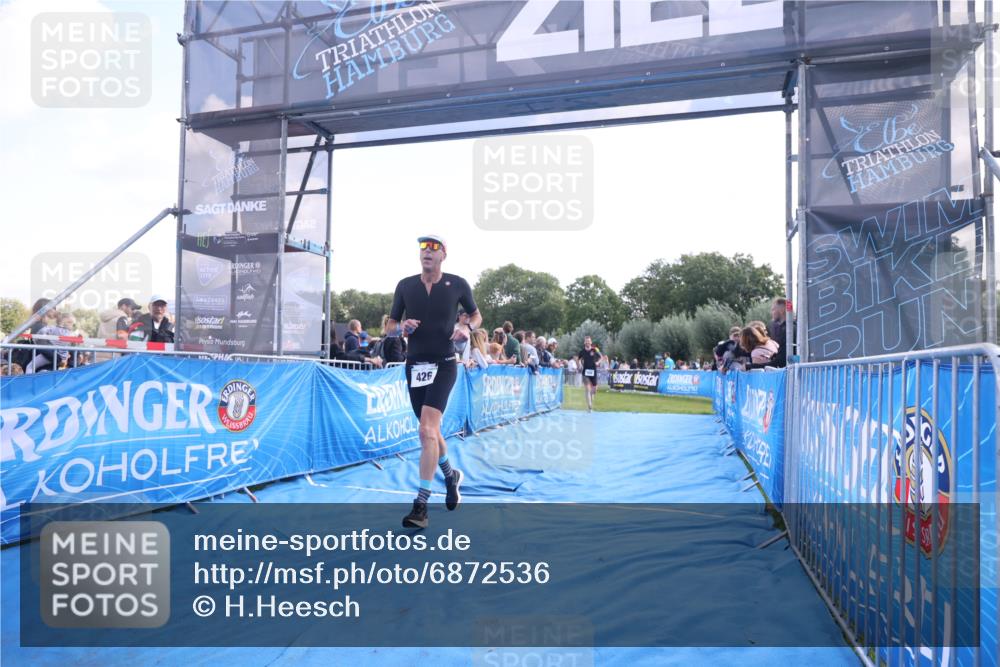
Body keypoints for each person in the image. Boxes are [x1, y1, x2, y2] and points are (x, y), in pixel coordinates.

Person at [387, 234, 481, 529]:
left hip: (443, 364)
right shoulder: (405, 285)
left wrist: (465, 326)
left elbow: (477, 316)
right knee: (430, 431)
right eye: (423, 248)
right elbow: (389, 326)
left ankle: (421, 505)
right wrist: (400, 326)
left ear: (443, 255)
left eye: (433, 248)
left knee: (426, 430)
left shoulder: (457, 284)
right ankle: (450, 475)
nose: (426, 252)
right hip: (414, 365)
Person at [576, 335, 603, 412]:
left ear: (591, 342)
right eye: (586, 341)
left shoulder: (595, 350)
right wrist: (579, 365)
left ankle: (591, 399)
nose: (588, 343)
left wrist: (598, 362)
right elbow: (578, 359)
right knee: (587, 389)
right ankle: (589, 406)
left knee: (594, 390)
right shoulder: (582, 351)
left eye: (589, 341)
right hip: (585, 372)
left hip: (593, 372)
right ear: (584, 342)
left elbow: (601, 357)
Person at [768, 297, 791, 368]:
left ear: (781, 310)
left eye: (773, 309)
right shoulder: (777, 329)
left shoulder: (788, 330)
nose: (771, 313)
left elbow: (781, 360)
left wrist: (750, 366)